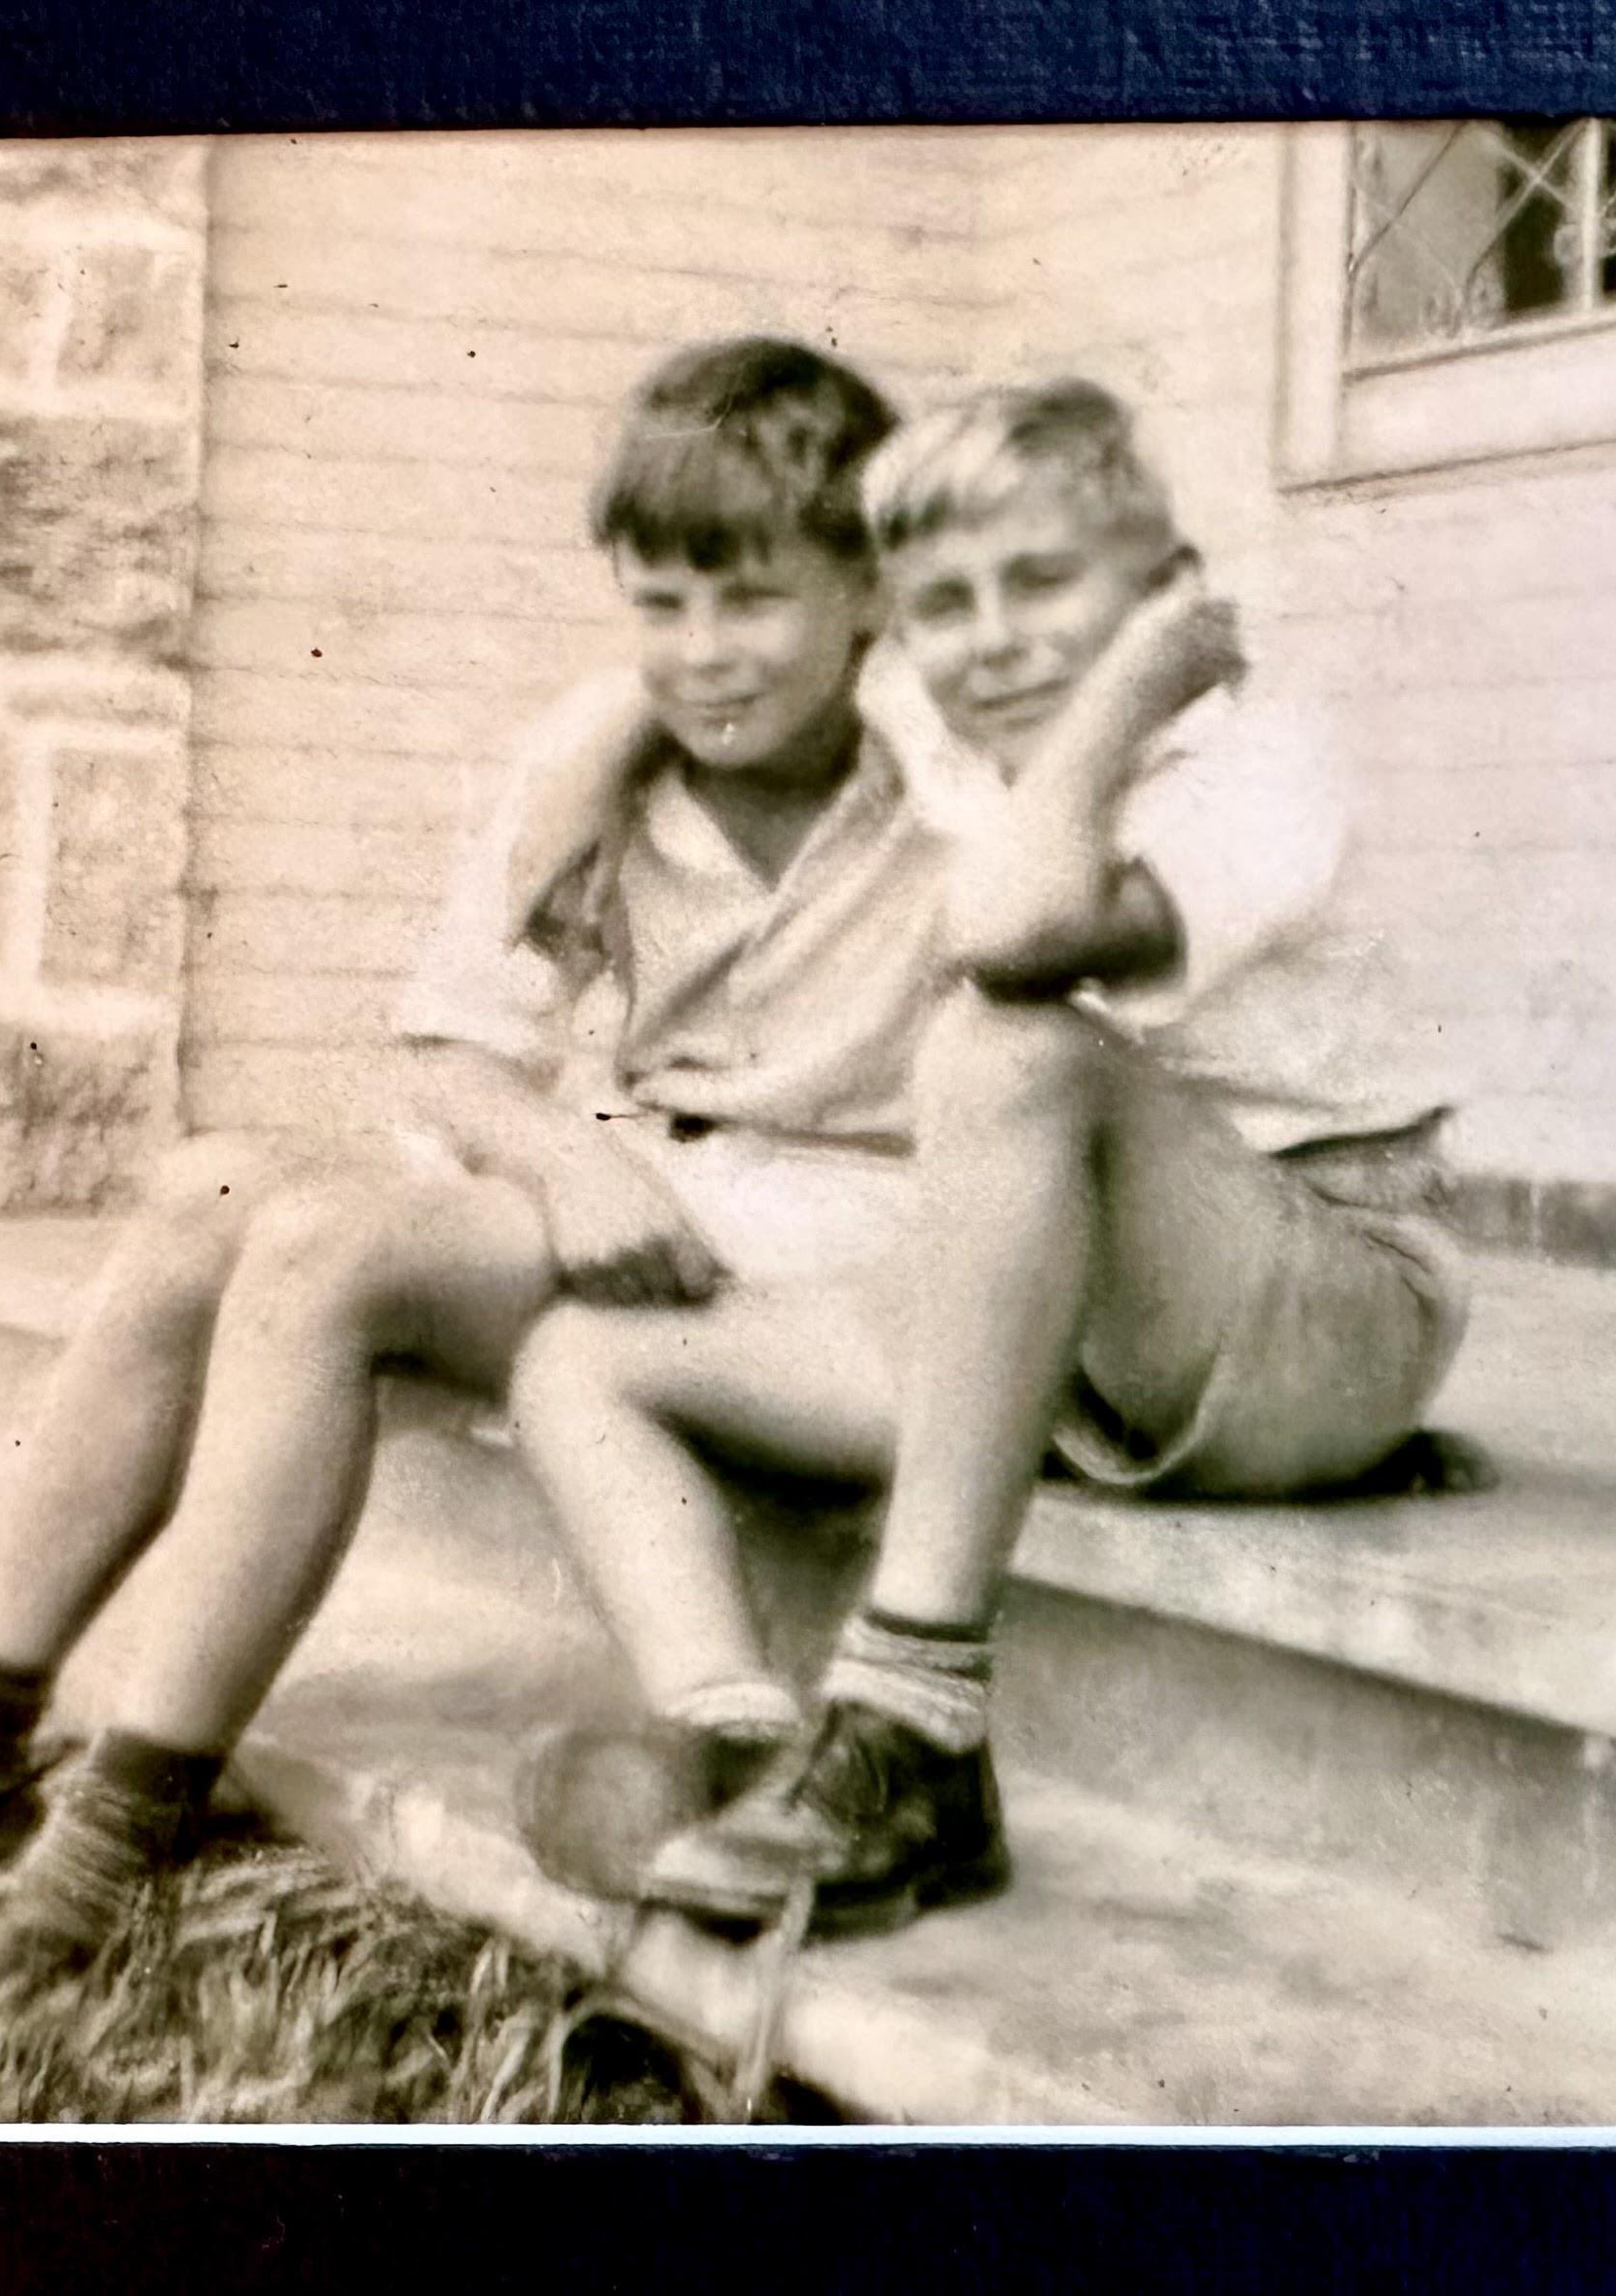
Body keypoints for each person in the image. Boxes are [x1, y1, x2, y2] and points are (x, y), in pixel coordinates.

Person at [0, 337, 945, 2054]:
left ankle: (91, 1862)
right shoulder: (607, 758)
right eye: (657, 607)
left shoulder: (943, 756)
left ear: (870, 586)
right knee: (206, 1190)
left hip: (860, 1260)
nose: (696, 656)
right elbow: (453, 1048)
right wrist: (565, 1147)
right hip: (676, 1201)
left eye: (747, 603)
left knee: (323, 1245)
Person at [501, 378, 1469, 1942]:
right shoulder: (973, 748)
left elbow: (1019, 932)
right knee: (583, 1356)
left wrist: (1123, 695)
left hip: (1327, 1302)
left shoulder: (1257, 761)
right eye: (945, 605)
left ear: (1163, 597)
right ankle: (735, 1737)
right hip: (1106, 1334)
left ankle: (915, 1720)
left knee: (1001, 1044)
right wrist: (604, 746)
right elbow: (774, 670)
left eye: (1042, 585)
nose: (994, 638)